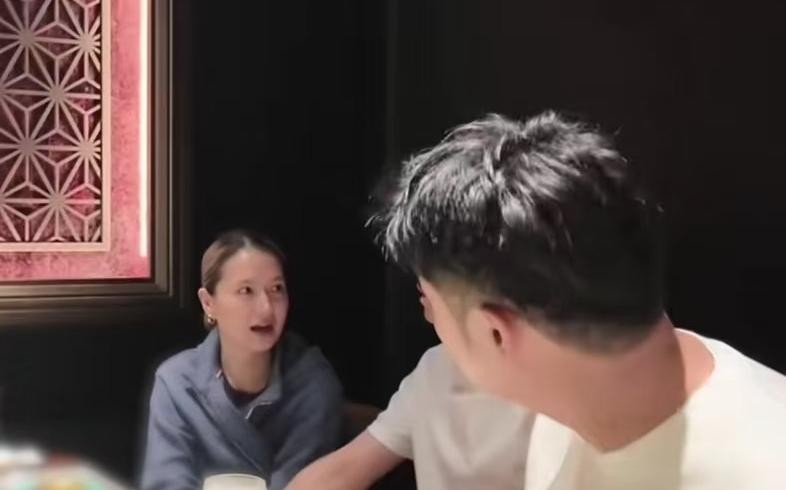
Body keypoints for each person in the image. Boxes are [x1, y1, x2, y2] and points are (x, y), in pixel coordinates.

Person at [286, 112, 786, 489]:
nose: (431, 320)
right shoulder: (567, 407)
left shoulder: (764, 462)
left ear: (494, 332)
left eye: (432, 305)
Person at [141, 229, 343, 490]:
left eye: (276, 289)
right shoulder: (177, 382)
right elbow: (166, 483)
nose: (267, 308)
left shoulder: (313, 382)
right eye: (246, 290)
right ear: (208, 303)